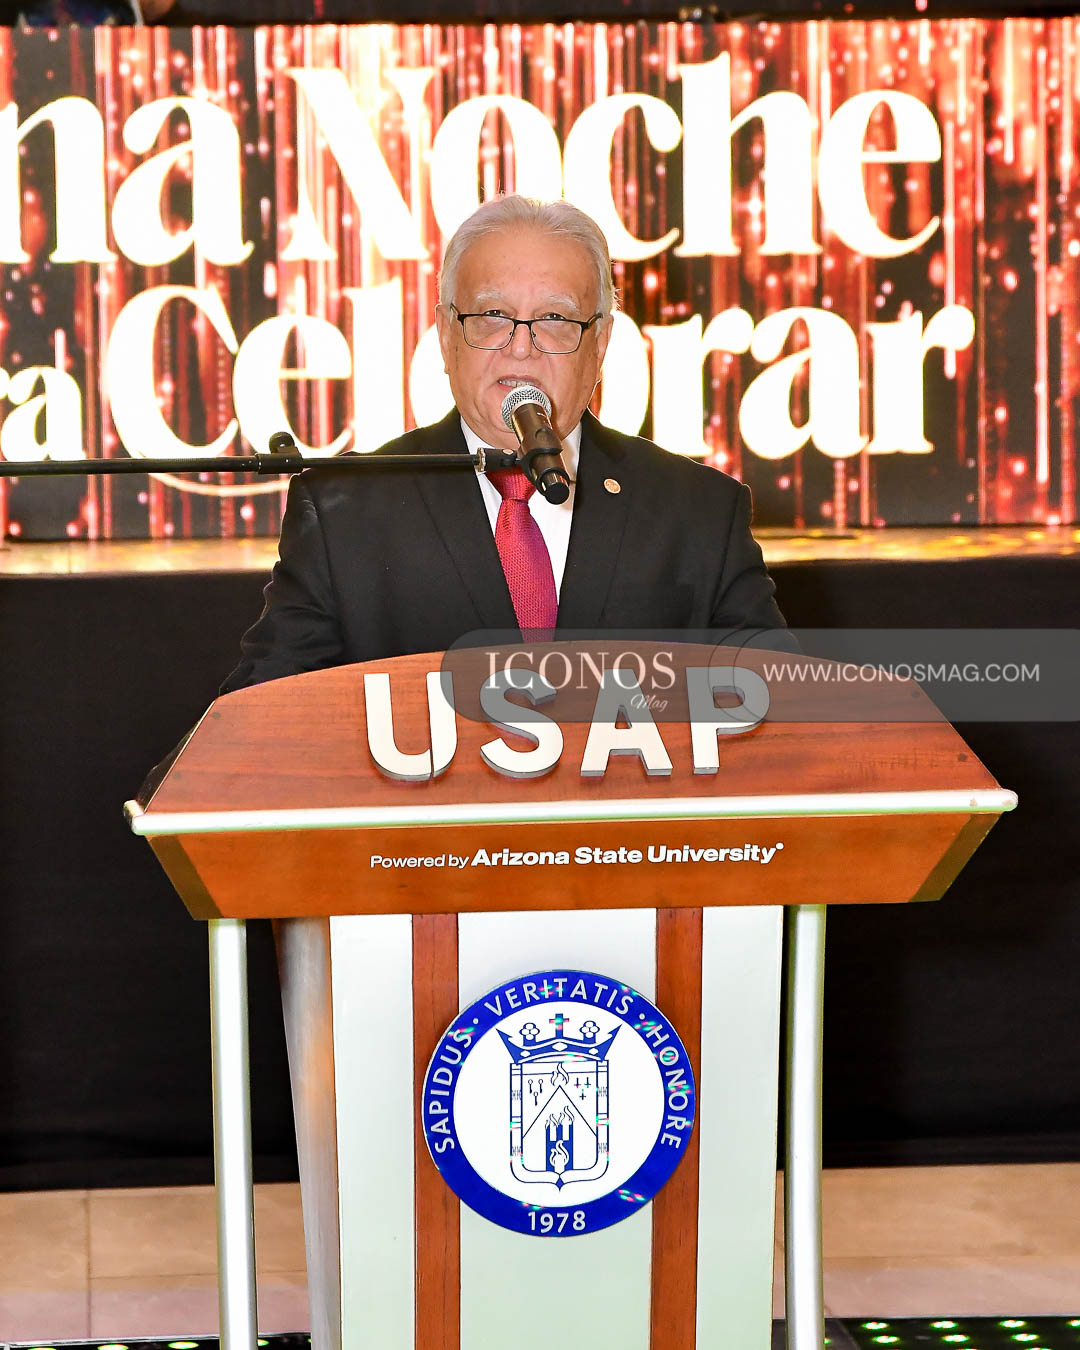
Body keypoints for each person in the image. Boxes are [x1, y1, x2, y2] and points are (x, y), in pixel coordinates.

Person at [221, 195, 788, 693]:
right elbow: (254, 730)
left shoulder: (699, 513)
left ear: (600, 344)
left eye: (555, 318)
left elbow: (786, 722)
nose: (521, 346)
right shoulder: (347, 510)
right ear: (447, 335)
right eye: (493, 315)